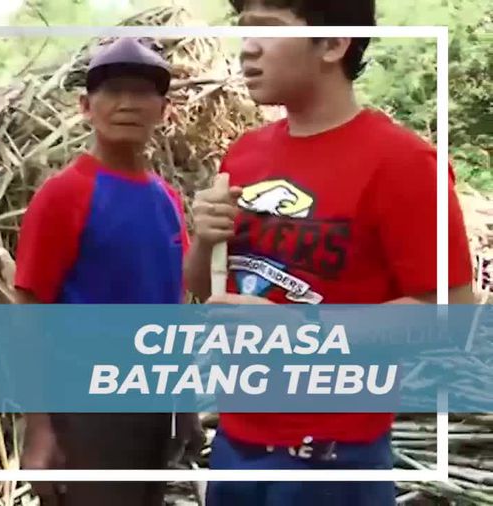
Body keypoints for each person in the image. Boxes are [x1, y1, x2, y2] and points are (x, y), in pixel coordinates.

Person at [186, 1, 475, 504]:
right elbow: (208, 292)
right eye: (243, 30)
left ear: (335, 43)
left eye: (267, 30)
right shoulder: (244, 154)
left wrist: (298, 331)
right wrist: (205, 240)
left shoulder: (403, 163)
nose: (247, 48)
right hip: (235, 449)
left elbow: (451, 315)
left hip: (335, 462)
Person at [13, 37, 204, 506]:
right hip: (87, 412)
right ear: (85, 106)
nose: (127, 104)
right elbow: (28, 313)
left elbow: (170, 304)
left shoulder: (166, 199)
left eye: (142, 93)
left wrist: (185, 405)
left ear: (164, 110)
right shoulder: (65, 195)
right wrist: (38, 432)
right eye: (112, 90)